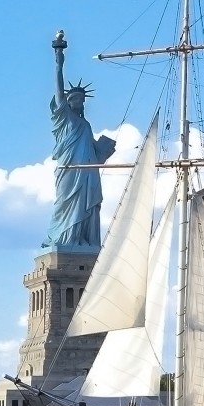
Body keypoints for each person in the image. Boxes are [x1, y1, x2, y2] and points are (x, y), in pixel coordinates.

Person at [43, 31, 116, 250]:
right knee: (64, 204)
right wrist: (59, 61)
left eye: (82, 100)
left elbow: (94, 151)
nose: (79, 102)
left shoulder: (85, 125)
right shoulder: (63, 119)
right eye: (74, 99)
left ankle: (83, 240)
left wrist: (104, 150)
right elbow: (58, 89)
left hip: (88, 173)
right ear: (68, 101)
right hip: (70, 170)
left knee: (89, 207)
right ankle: (64, 239)